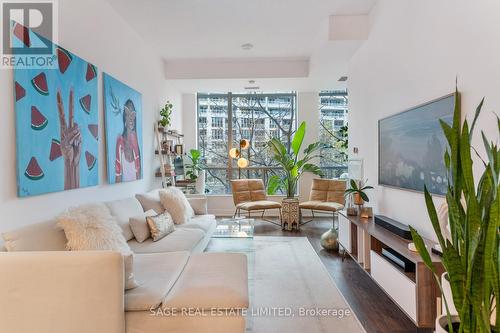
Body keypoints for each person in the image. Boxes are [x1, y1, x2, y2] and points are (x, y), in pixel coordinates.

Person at [115, 99, 141, 182]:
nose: (130, 118)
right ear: (124, 117)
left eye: (133, 114)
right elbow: (118, 176)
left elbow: (138, 175)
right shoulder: (120, 141)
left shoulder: (135, 141)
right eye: (127, 114)